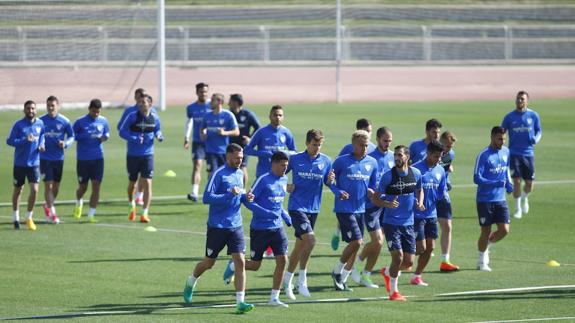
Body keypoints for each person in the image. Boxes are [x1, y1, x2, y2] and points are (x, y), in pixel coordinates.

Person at [182, 144, 255, 314]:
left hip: (235, 225)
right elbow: (207, 198)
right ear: (228, 156)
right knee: (209, 263)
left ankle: (240, 302)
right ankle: (191, 281)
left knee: (240, 262)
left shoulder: (239, 173)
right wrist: (229, 194)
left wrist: (246, 197)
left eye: (242, 158)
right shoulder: (218, 174)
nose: (240, 161)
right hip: (217, 226)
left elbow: (239, 195)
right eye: (237, 158)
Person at [224, 151, 293, 307]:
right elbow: (248, 201)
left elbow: (278, 203)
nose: (284, 169)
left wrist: (285, 216)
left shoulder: (284, 179)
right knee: (255, 265)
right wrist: (265, 212)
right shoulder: (263, 180)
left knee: (282, 260)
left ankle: (274, 298)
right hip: (260, 229)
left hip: (277, 228)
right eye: (282, 165)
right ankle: (234, 265)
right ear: (273, 164)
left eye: (286, 166)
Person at [282, 129, 334, 300]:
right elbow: (278, 174)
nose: (317, 148)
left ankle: (288, 280)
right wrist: (285, 186)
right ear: (307, 143)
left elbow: (328, 181)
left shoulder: (326, 161)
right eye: (314, 145)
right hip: (297, 208)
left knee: (300, 245)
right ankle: (302, 280)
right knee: (310, 241)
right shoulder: (295, 159)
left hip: (314, 209)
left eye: (319, 145)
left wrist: (334, 185)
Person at [373, 145, 424, 301]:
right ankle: (393, 292)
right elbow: (375, 198)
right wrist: (387, 204)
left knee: (408, 262)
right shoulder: (388, 177)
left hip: (408, 223)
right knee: (398, 257)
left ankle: (388, 271)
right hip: (391, 223)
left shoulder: (416, 173)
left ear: (407, 157)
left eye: (400, 155)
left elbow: (420, 189)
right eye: (395, 155)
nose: (396, 158)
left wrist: (420, 202)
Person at [330, 130, 378, 292]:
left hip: (360, 209)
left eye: (366, 145)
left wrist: (372, 191)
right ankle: (337, 271)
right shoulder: (341, 162)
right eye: (361, 145)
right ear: (353, 145)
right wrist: (338, 192)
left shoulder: (372, 163)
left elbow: (373, 184)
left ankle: (342, 280)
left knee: (356, 244)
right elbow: (329, 181)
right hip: (344, 208)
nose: (364, 148)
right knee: (357, 242)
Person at [351, 126, 394, 288]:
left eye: (390, 141)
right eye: (385, 141)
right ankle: (357, 266)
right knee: (377, 241)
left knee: (378, 243)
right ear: (377, 140)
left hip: (386, 206)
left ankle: (365, 275)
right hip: (371, 206)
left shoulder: (392, 157)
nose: (387, 144)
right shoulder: (369, 157)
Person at [332, 118, 377, 251]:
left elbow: (372, 178)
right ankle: (337, 232)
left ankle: (347, 268)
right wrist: (336, 187)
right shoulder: (347, 150)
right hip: (345, 203)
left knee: (357, 241)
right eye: (366, 131)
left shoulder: (372, 150)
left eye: (370, 131)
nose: (368, 135)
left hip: (362, 203)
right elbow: (335, 170)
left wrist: (371, 190)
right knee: (356, 240)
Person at [473, 126, 514, 272]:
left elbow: (506, 171)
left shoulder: (506, 151)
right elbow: (476, 178)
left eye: (504, 138)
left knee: (504, 230)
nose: (502, 142)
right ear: (492, 137)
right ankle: (481, 261)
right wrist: (494, 183)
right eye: (499, 139)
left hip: (500, 199)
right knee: (485, 230)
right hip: (485, 200)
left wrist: (509, 184)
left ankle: (487, 245)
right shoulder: (484, 155)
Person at [119, 94, 163, 223]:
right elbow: (122, 131)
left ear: (150, 104)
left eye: (144, 102)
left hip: (148, 155)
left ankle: (145, 213)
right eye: (140, 102)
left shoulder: (154, 117)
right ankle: (131, 203)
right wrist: (133, 138)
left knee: (148, 182)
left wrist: (159, 135)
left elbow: (157, 130)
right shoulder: (132, 116)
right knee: (132, 183)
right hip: (133, 155)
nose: (141, 104)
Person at [411, 140, 447, 286]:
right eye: (436, 156)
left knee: (430, 247)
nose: (438, 160)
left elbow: (441, 190)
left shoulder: (440, 170)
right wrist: (415, 202)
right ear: (428, 153)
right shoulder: (414, 169)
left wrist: (439, 197)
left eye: (441, 157)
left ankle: (417, 275)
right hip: (415, 215)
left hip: (431, 215)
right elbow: (406, 190)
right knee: (421, 248)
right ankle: (398, 265)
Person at [501, 91, 542, 219]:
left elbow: (539, 131)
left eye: (522, 99)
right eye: (518, 99)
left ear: (527, 101)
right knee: (517, 181)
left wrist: (536, 139)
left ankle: (524, 198)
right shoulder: (509, 117)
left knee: (529, 184)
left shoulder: (533, 115)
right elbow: (502, 132)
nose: (519, 101)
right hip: (514, 154)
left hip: (528, 154)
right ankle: (517, 208)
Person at [7, 100, 45, 230]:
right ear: (24, 110)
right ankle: (15, 218)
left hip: (34, 163)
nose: (30, 111)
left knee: (34, 190)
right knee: (18, 190)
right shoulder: (18, 125)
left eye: (33, 108)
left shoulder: (40, 123)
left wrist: (42, 145)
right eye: (28, 109)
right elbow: (10, 141)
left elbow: (42, 136)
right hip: (20, 163)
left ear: (36, 110)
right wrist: (24, 140)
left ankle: (29, 217)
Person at [72, 99, 110, 223]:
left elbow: (107, 133)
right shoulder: (80, 122)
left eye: (98, 112)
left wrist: (105, 137)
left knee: (96, 187)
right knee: (83, 187)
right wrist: (86, 135)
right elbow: (72, 136)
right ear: (89, 109)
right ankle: (79, 202)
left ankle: (91, 214)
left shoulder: (103, 121)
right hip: (83, 159)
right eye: (94, 111)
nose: (96, 114)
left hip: (98, 159)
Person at [39, 96, 74, 224]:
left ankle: (47, 205)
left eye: (53, 105)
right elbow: (36, 135)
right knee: (48, 185)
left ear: (57, 106)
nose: (50, 108)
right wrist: (39, 145)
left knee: (56, 187)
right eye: (48, 105)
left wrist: (65, 144)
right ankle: (53, 214)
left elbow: (72, 135)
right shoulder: (41, 121)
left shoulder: (64, 121)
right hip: (44, 158)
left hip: (59, 158)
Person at [244, 105, 297, 179]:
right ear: (270, 117)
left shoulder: (286, 132)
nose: (278, 117)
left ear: (283, 117)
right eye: (275, 115)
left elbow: (294, 151)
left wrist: (284, 153)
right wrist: (264, 153)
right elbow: (247, 150)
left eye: (280, 115)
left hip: (279, 175)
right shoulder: (261, 131)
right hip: (262, 174)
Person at [117, 88, 148, 206]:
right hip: (133, 150)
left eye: (144, 95)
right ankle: (132, 199)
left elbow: (155, 126)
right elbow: (120, 127)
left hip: (147, 150)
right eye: (140, 95)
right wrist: (133, 136)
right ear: (135, 98)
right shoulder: (129, 111)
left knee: (145, 176)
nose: (142, 97)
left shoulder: (151, 110)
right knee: (133, 179)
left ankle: (139, 196)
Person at [200, 93, 239, 178]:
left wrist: (224, 133)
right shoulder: (207, 116)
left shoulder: (228, 115)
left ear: (219, 101)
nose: (210, 102)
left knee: (225, 175)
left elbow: (236, 132)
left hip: (224, 152)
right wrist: (202, 135)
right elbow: (202, 129)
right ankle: (212, 191)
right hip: (210, 151)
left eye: (212, 100)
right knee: (212, 174)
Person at [184, 82, 211, 201]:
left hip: (212, 142)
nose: (203, 94)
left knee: (212, 169)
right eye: (201, 92)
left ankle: (211, 192)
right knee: (197, 165)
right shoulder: (191, 107)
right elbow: (189, 122)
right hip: (197, 141)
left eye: (205, 91)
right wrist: (186, 137)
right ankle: (194, 193)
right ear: (197, 93)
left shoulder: (212, 105)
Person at [437, 131, 460, 272]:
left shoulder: (451, 154)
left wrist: (447, 181)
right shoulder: (430, 154)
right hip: (428, 196)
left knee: (447, 226)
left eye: (450, 147)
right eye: (446, 146)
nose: (448, 149)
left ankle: (445, 260)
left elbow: (446, 168)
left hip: (443, 194)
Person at [228, 93, 260, 186]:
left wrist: (250, 139)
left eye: (230, 101)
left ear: (236, 102)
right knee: (229, 166)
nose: (228, 103)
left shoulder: (247, 114)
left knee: (242, 166)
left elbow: (258, 127)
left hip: (243, 146)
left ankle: (242, 190)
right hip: (230, 145)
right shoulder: (229, 114)